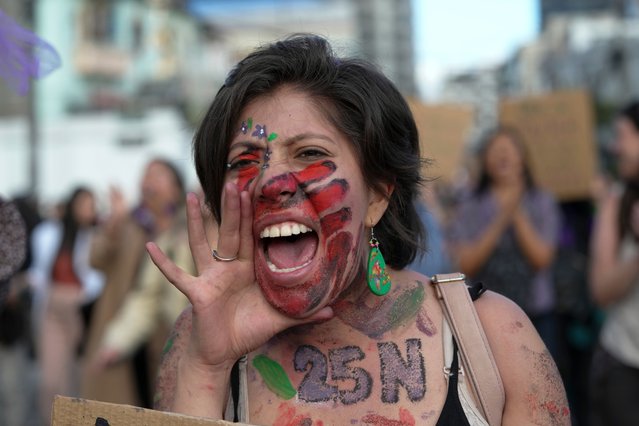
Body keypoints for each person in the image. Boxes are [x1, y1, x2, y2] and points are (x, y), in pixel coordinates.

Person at [149, 35, 569, 425]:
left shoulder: (497, 337)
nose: (269, 183)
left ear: (377, 197)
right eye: (244, 161)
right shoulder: (198, 342)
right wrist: (208, 366)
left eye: (309, 153)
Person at [448, 127, 561, 358]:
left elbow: (542, 259)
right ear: (485, 160)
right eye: (495, 150)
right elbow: (467, 264)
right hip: (485, 312)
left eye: (509, 150)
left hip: (536, 311)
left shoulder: (542, 200)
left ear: (523, 158)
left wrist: (516, 210)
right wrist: (502, 216)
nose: (503, 156)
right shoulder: (470, 203)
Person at [81, 159, 185, 408]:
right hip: (124, 329)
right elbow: (95, 260)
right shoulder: (129, 223)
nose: (148, 181)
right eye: (145, 175)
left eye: (158, 175)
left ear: (176, 189)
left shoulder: (188, 228)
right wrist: (114, 223)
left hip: (168, 337)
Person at [28, 187, 104, 425]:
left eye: (90, 205)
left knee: (77, 374)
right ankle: (51, 419)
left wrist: (84, 295)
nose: (86, 210)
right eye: (82, 204)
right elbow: (39, 271)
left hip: (80, 308)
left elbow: (98, 278)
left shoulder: (95, 237)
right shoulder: (50, 233)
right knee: (51, 378)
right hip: (53, 305)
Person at [589, 101, 639, 426]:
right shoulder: (617, 202)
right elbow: (601, 291)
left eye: (622, 135)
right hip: (625, 366)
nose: (614, 146)